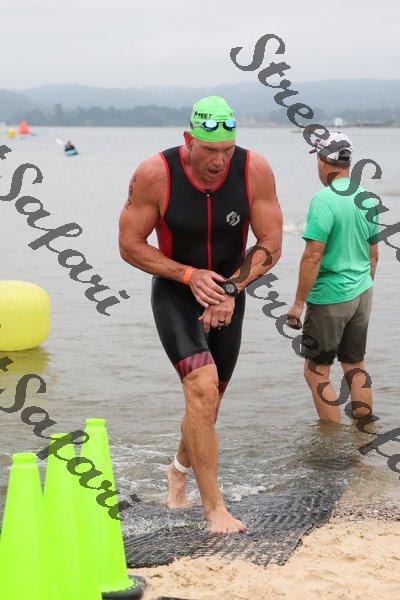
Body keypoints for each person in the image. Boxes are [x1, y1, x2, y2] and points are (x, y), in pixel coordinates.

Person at [119, 96, 283, 533]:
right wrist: (189, 275)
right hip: (176, 292)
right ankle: (214, 510)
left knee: (209, 404)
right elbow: (130, 245)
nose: (218, 161)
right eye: (209, 150)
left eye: (227, 150)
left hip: (230, 293)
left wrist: (230, 289)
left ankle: (176, 470)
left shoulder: (254, 170)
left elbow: (271, 243)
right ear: (188, 140)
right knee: (202, 388)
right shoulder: (156, 173)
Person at [287, 132, 379, 423]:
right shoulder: (367, 198)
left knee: (316, 371)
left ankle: (331, 438)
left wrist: (298, 304)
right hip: (362, 293)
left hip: (330, 297)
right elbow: (373, 254)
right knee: (355, 365)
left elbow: (313, 256)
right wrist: (363, 286)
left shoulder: (323, 200)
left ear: (323, 161)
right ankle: (365, 429)